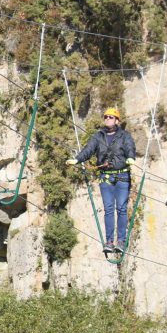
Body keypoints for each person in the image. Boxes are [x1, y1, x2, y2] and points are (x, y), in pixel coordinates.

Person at [66, 107, 138, 253]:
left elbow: (130, 147)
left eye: (111, 117)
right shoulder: (98, 136)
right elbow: (88, 149)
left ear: (117, 120)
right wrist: (77, 159)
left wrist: (130, 157)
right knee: (109, 210)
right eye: (106, 117)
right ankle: (109, 241)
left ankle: (121, 241)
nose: (108, 119)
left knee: (122, 209)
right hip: (106, 176)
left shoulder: (124, 135)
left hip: (122, 176)